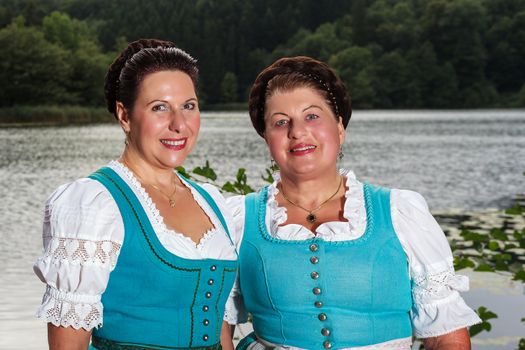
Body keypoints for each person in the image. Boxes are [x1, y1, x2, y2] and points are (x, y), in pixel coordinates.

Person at [222, 56, 481, 350]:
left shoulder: (400, 212)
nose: (297, 132)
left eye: (312, 116)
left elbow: (446, 336)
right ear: (266, 138)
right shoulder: (238, 219)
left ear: (340, 128)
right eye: (280, 122)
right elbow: (219, 325)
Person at [34, 39, 238, 350]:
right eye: (159, 108)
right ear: (125, 116)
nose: (179, 124)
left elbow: (222, 329)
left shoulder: (212, 202)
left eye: (189, 106)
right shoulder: (95, 205)